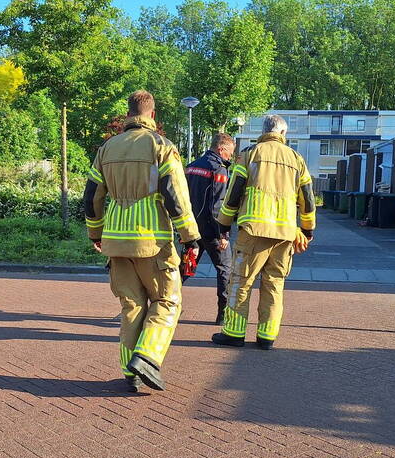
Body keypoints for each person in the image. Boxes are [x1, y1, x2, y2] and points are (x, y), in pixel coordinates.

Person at [84, 90, 200, 392]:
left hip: (116, 243)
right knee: (167, 301)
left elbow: (91, 198)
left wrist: (96, 233)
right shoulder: (161, 146)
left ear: (128, 113)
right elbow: (176, 195)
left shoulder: (106, 149)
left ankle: (129, 373)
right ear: (152, 114)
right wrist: (190, 237)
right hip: (153, 242)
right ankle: (147, 358)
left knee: (131, 306)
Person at [211, 114, 315, 350]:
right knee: (274, 284)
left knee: (241, 281)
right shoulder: (297, 159)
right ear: (283, 134)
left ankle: (234, 333)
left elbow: (234, 192)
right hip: (285, 234)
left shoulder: (250, 154)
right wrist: (307, 230)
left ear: (263, 131)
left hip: (254, 230)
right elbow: (307, 200)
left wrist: (224, 224)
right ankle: (267, 336)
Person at [182, 132, 236, 325]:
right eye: (230, 153)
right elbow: (217, 205)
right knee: (225, 270)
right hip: (212, 231)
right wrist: (223, 233)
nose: (230, 157)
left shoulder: (191, 166)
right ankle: (223, 315)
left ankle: (165, 304)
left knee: (185, 268)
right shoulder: (219, 169)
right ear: (221, 149)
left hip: (190, 229)